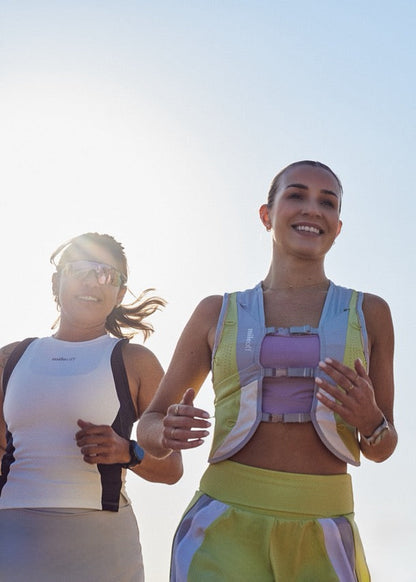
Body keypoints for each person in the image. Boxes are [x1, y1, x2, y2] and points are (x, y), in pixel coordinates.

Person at [137, 161, 398, 582]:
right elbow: (148, 424)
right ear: (266, 214)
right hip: (220, 527)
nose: (313, 210)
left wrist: (370, 421)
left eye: (327, 203)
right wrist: (164, 433)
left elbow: (383, 446)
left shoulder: (371, 313)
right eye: (296, 195)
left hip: (325, 528)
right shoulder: (215, 312)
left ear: (338, 225)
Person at [0, 232, 182, 582]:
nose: (92, 282)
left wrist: (127, 451)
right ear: (57, 281)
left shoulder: (135, 361)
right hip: (12, 536)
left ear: (119, 293)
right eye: (80, 269)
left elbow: (172, 468)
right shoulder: (10, 358)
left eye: (107, 274)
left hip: (102, 545)